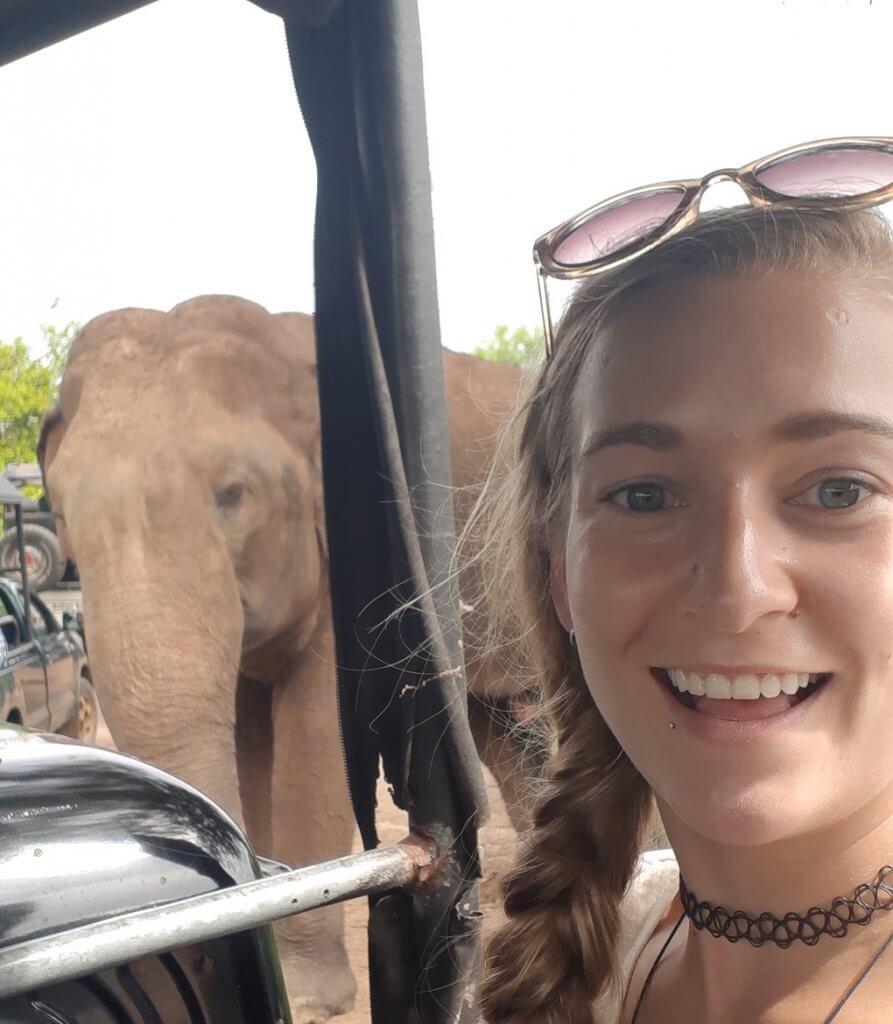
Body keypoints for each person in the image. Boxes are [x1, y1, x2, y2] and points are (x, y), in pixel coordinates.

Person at [473, 138, 893, 1022]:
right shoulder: (605, 954)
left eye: (838, 489)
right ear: (560, 573)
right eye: (645, 494)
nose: (737, 593)